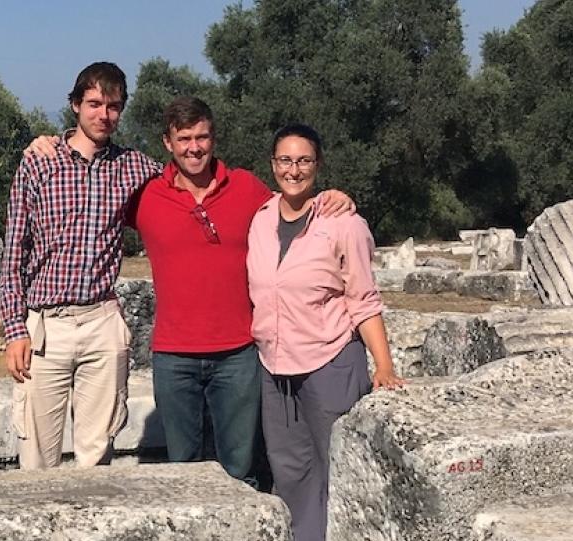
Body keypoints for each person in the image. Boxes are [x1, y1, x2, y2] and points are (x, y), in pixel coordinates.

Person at [22, 96, 354, 485]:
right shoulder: (146, 193)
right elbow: (90, 208)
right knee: (182, 471)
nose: (194, 147)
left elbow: (292, 207)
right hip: (173, 355)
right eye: (184, 139)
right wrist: (48, 144)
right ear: (167, 142)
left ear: (214, 138)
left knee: (240, 466)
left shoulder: (246, 188)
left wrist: (334, 197)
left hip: (238, 354)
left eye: (202, 137)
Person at [247, 124, 403, 541]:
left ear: (318, 165)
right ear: (272, 164)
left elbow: (364, 298)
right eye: (285, 160)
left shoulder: (343, 223)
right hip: (274, 364)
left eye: (303, 161)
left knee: (336, 466)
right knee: (289, 467)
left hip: (329, 359)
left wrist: (384, 366)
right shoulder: (260, 219)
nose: (293, 170)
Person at [0, 62, 160, 470]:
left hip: (101, 321)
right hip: (46, 327)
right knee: (37, 457)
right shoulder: (39, 162)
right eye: (94, 104)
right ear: (75, 105)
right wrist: (15, 331)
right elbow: (13, 254)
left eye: (113, 106)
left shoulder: (134, 167)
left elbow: (192, 175)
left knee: (98, 452)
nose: (104, 115)